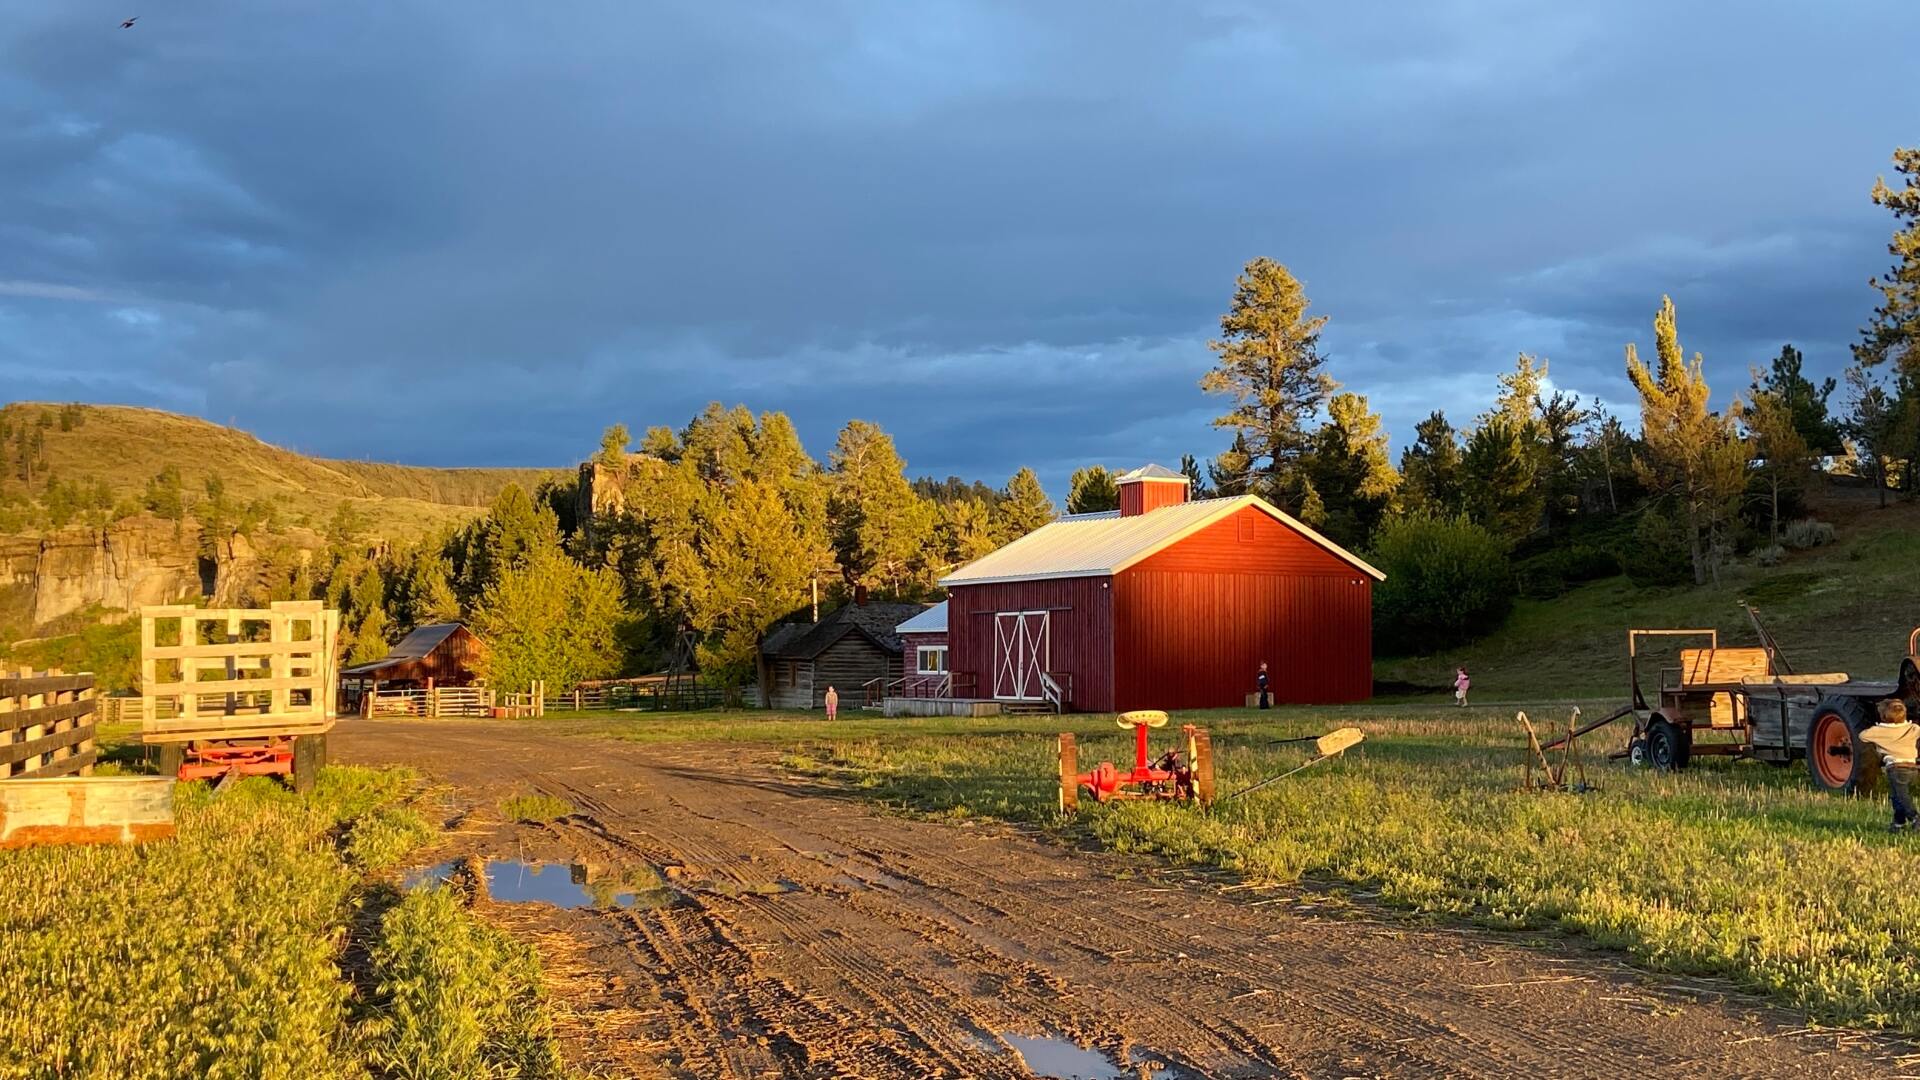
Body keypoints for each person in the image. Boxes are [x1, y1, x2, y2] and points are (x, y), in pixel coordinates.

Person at [1861, 698, 1920, 831]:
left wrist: (1879, 728)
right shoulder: (1913, 728)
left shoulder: (1879, 731)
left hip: (1896, 768)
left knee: (1901, 796)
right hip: (1911, 766)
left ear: (1883, 716)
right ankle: (1898, 823)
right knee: (1896, 796)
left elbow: (1863, 736)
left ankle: (1915, 817)